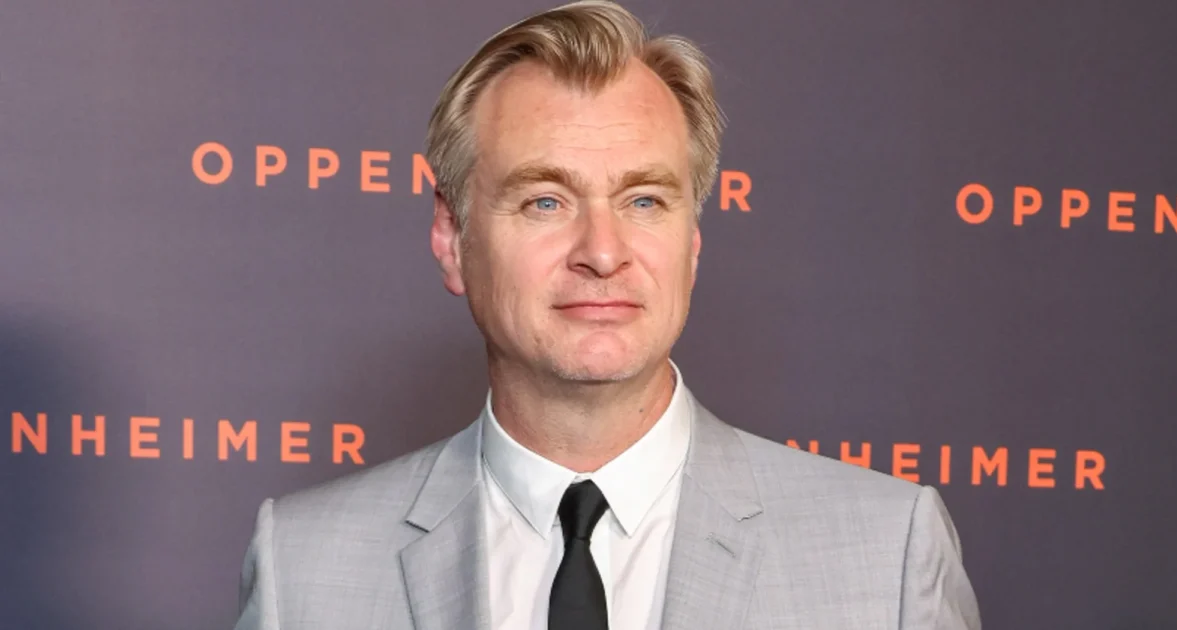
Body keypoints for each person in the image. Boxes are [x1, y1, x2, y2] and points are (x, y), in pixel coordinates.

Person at [233, 1, 981, 628]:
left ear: (692, 242)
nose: (602, 251)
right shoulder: (303, 567)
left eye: (644, 201)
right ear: (452, 239)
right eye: (545, 201)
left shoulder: (887, 555)